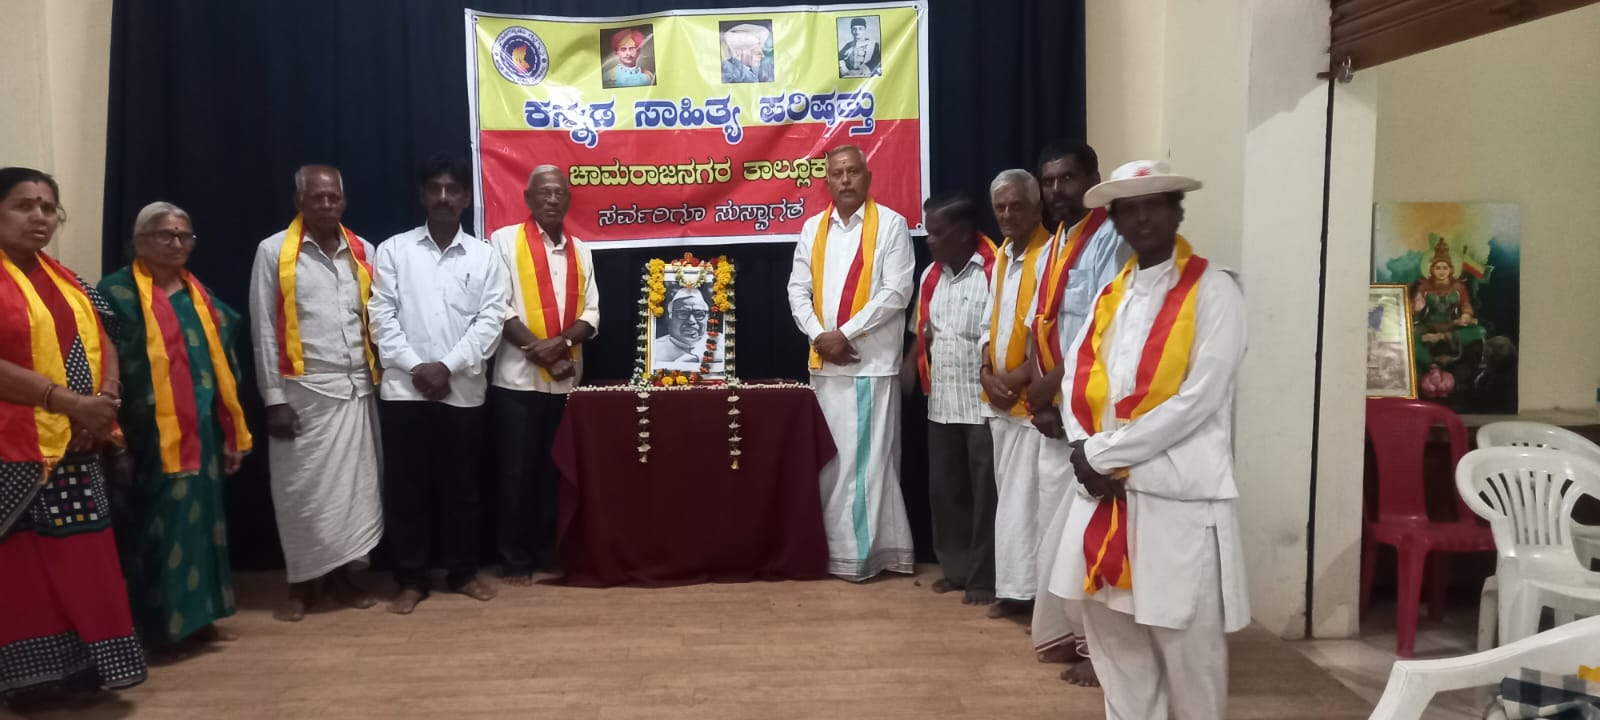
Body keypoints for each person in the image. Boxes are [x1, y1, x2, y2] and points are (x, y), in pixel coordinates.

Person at [1048, 160, 1249, 720]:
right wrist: (1086, 449)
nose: (1142, 219)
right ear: (1114, 220)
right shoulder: (1110, 296)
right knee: (1113, 642)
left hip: (1176, 498)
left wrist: (1102, 455)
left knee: (1189, 652)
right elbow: (1076, 380)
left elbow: (1198, 400)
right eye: (1128, 209)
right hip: (1105, 498)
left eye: (1154, 205)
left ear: (1176, 211)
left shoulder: (1216, 291)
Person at [0, 167, 146, 703]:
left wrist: (103, 406)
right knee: (23, 566)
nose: (39, 217)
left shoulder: (68, 279)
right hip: (13, 448)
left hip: (79, 445)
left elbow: (104, 341)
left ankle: (87, 670)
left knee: (83, 561)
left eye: (48, 208)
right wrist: (70, 405)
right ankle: (32, 681)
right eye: (24, 206)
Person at [100, 202, 251, 654]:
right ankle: (159, 628)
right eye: (165, 235)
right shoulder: (115, 294)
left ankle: (199, 619)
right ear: (139, 241)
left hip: (202, 432)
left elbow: (224, 365)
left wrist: (231, 432)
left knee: (204, 526)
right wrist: (115, 439)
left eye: (185, 236)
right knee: (156, 528)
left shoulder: (199, 296)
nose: (177, 243)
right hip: (146, 436)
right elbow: (98, 362)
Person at [368, 153, 509, 613]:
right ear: (423, 195)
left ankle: (463, 572)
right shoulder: (394, 250)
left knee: (462, 489)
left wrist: (446, 367)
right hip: (404, 391)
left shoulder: (485, 256)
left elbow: (490, 321)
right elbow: (381, 316)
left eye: (453, 190)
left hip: (461, 391)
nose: (444, 197)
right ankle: (410, 578)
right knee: (407, 488)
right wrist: (418, 367)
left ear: (467, 198)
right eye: (436, 189)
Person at [248, 165, 383, 622]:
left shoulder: (364, 251)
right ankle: (302, 583)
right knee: (302, 493)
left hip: (357, 388)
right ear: (299, 202)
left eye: (333, 197)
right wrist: (274, 399)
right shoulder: (273, 251)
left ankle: (344, 579)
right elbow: (264, 330)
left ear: (344, 201)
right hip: (302, 392)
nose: (326, 205)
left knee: (353, 493)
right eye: (316, 197)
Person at [786, 145, 915, 581]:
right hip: (825, 365)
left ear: (868, 176)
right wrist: (819, 335)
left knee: (869, 466)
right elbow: (797, 289)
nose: (845, 180)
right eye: (837, 173)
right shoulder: (813, 228)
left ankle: (863, 555)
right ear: (826, 181)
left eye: (853, 171)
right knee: (833, 463)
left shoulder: (892, 225)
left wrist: (845, 334)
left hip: (870, 364)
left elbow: (896, 291)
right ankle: (837, 549)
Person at [1026, 143, 1127, 685]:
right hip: (1055, 408)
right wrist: (1040, 396)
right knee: (1054, 531)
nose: (1057, 190)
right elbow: (1039, 324)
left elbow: (1102, 331)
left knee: (1089, 530)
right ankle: (1067, 633)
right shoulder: (1055, 243)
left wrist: (1051, 389)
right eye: (1048, 181)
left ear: (1093, 178)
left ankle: (1100, 651)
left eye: (1067, 178)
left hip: (1093, 409)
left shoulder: (1110, 238)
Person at [489, 165, 598, 585]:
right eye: (544, 193)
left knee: (555, 471)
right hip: (516, 381)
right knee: (515, 473)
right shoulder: (503, 241)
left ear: (568, 200)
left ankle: (547, 552)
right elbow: (499, 308)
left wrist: (561, 344)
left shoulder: (581, 250)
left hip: (566, 381)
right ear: (528, 198)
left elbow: (593, 313)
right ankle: (513, 559)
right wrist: (544, 352)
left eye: (559, 193)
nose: (552, 199)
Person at [898, 193, 998, 605]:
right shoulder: (930, 276)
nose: (929, 240)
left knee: (986, 496)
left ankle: (984, 580)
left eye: (937, 233)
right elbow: (921, 331)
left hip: (984, 407)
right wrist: (909, 367)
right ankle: (955, 571)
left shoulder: (995, 270)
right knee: (946, 492)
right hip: (941, 404)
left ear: (962, 233)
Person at [978, 169, 1053, 620]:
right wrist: (987, 372)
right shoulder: (1004, 254)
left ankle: (1033, 598)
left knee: (1030, 504)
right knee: (1009, 500)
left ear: (1036, 207)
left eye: (1016, 206)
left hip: (1030, 403)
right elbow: (989, 322)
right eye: (1000, 207)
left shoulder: (1050, 255)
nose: (1007, 214)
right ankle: (1013, 589)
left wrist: (1018, 379)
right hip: (1000, 401)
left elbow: (1050, 333)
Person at [653, 286, 712, 365]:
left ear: (707, 318)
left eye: (699, 314)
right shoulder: (653, 350)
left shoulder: (721, 344)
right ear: (670, 318)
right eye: (683, 313)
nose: (691, 321)